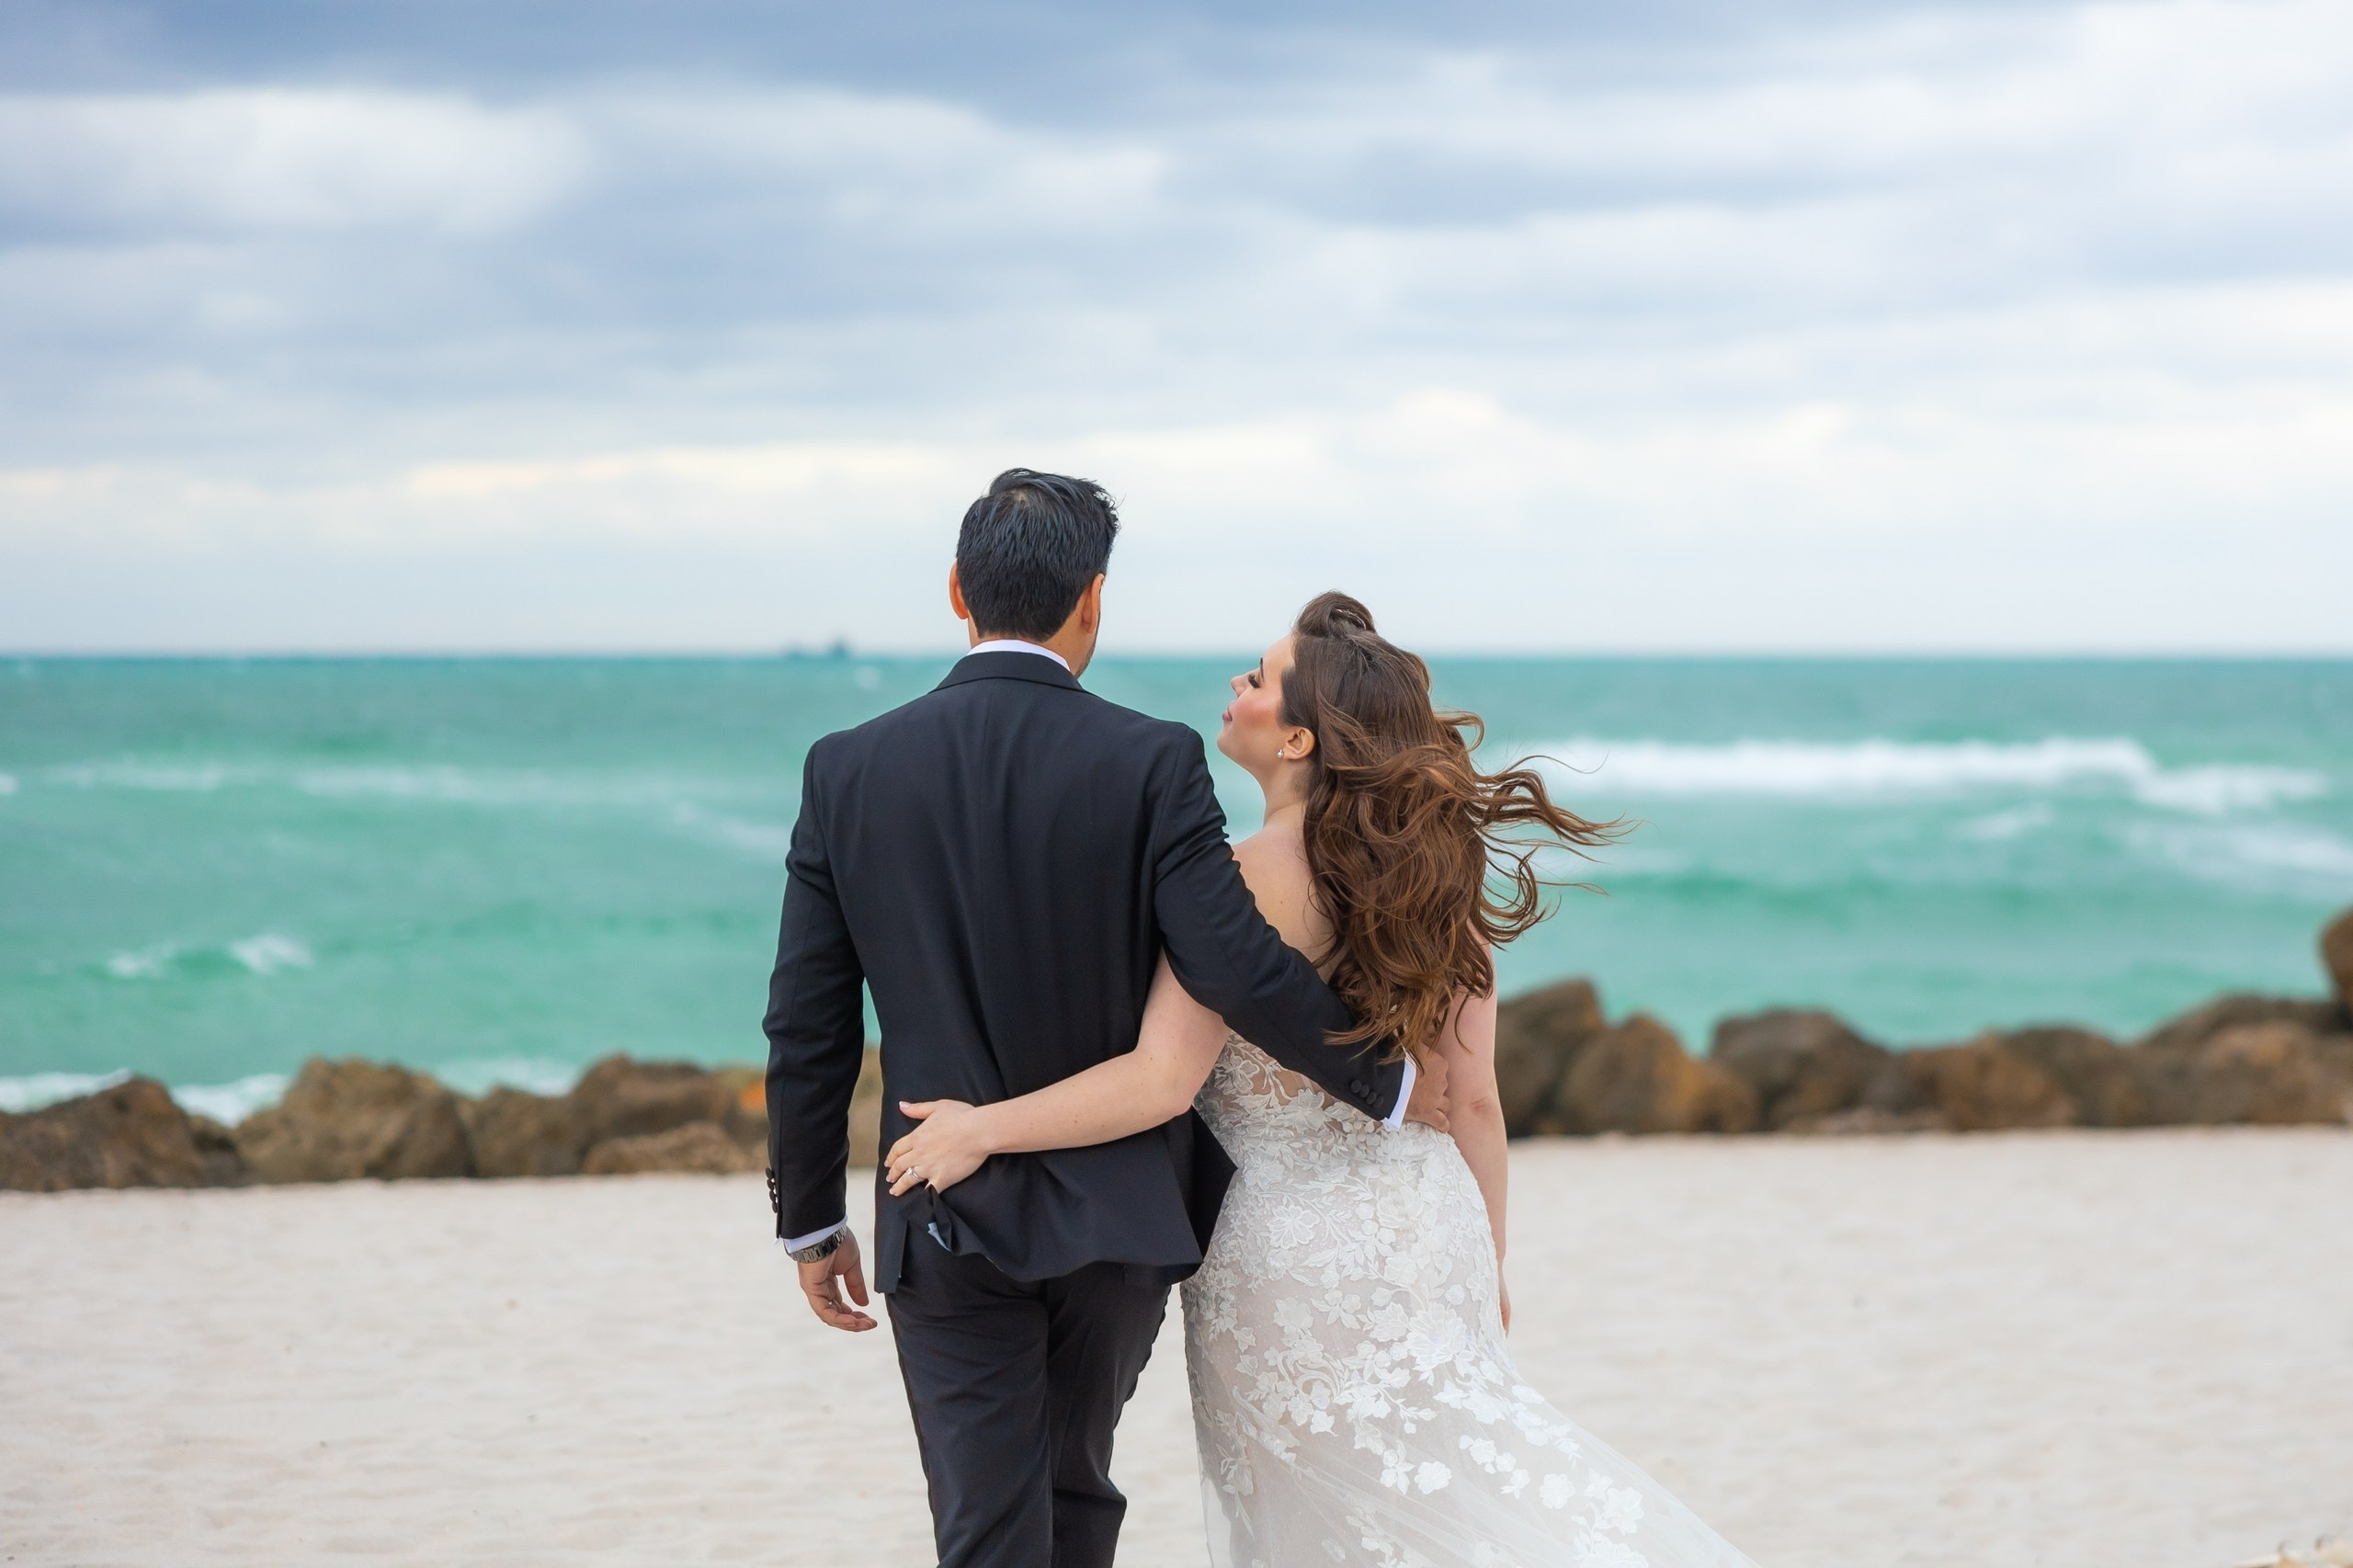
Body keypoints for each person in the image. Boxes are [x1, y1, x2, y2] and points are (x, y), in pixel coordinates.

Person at [885, 592, 1761, 1567]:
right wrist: (1491, 1258)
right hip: (1432, 1228)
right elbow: (1472, 1098)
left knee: (1328, 1520)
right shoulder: (1440, 872)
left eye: (1257, 680)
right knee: (1450, 1487)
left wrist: (983, 1127)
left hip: (1285, 1253)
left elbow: (1161, 1080)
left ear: (1297, 736)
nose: (1236, 684)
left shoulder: (1235, 879)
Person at [763, 472, 1452, 1568]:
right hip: (1116, 1221)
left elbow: (807, 1020)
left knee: (990, 1522)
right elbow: (1230, 958)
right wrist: (1392, 1082)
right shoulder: (1150, 758)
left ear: (956, 590)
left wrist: (808, 1215)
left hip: (941, 1206)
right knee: (1073, 1493)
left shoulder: (847, 768)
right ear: (1092, 600)